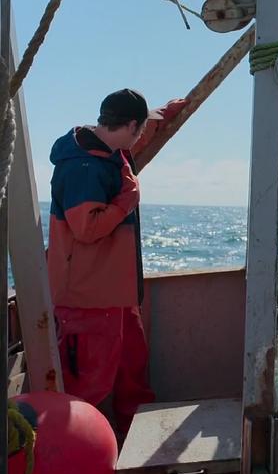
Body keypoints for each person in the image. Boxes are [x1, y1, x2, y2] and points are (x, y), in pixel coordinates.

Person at [47, 88, 186, 436]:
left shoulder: (109, 149)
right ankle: (79, 454)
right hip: (87, 300)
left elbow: (133, 143)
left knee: (131, 374)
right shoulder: (82, 167)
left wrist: (161, 115)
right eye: (140, 128)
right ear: (130, 126)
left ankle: (132, 442)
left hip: (117, 296)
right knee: (86, 389)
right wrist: (128, 200)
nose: (139, 136)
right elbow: (87, 228)